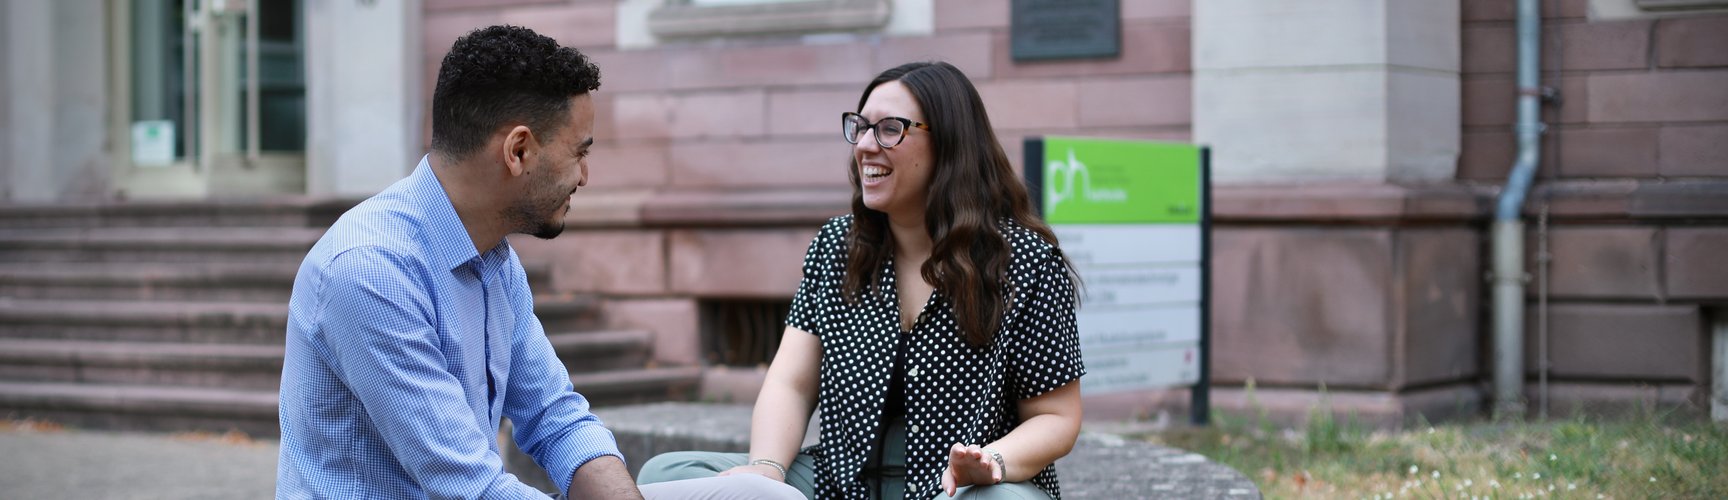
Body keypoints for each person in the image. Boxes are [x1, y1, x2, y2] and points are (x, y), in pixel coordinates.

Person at [636, 61, 1086, 500]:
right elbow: (791, 383)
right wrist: (766, 469)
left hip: (959, 488)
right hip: (839, 485)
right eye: (861, 127)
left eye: (890, 129)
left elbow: (1056, 417)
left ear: (950, 144)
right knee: (667, 473)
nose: (866, 145)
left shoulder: (1024, 261)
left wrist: (992, 461)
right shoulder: (838, 245)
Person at [276, 25, 642, 499]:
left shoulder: (493, 258)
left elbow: (556, 416)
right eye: (579, 152)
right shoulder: (369, 270)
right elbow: (471, 487)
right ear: (518, 151)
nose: (585, 176)